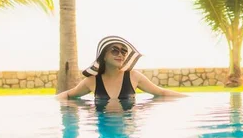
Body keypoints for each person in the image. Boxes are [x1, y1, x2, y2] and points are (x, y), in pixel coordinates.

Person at [56, 35, 187, 100]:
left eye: (123, 52)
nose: (121, 55)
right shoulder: (92, 81)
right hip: (103, 127)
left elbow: (161, 93)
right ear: (104, 56)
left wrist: (189, 98)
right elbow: (68, 95)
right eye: (115, 50)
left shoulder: (133, 76)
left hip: (126, 129)